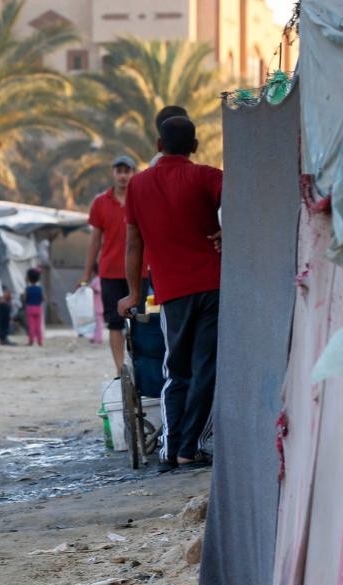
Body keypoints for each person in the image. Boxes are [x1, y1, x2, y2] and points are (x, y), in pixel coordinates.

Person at [119, 116, 223, 473]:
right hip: (213, 286)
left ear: (158, 146)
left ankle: (171, 447)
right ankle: (188, 447)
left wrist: (134, 293)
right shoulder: (208, 177)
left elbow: (134, 244)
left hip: (171, 293)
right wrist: (228, 231)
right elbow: (247, 204)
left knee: (176, 371)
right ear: (194, 146)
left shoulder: (137, 186)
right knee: (205, 368)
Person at [80, 155, 137, 375]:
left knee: (140, 322)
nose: (123, 176)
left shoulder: (140, 198)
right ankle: (120, 369)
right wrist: (86, 274)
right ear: (113, 173)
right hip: (110, 271)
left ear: (133, 173)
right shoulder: (100, 202)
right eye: (119, 171)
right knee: (114, 322)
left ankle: (138, 368)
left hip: (139, 271)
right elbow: (95, 240)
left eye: (127, 171)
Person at [23, 268, 45, 347]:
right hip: (38, 308)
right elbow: (43, 298)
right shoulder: (39, 289)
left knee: (31, 325)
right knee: (38, 326)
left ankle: (31, 341)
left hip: (30, 308)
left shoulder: (28, 289)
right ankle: (40, 341)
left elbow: (25, 299)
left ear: (29, 278)